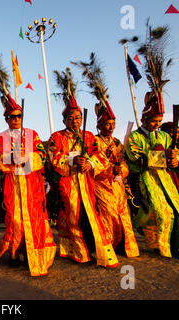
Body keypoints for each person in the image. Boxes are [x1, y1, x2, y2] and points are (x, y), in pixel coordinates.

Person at [47, 96, 119, 267]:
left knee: (90, 215)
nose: (75, 121)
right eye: (70, 118)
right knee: (73, 216)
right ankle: (80, 252)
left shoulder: (88, 136)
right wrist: (71, 161)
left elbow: (100, 155)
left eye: (78, 118)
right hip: (68, 182)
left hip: (87, 183)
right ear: (64, 120)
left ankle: (94, 248)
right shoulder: (56, 137)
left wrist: (89, 163)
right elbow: (52, 157)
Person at [0, 95, 56, 276]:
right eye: (12, 117)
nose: (16, 119)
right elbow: (0, 159)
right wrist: (13, 157)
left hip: (31, 183)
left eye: (18, 116)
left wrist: (28, 156)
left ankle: (33, 254)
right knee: (14, 218)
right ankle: (15, 253)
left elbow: (43, 155)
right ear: (6, 119)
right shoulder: (1, 137)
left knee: (35, 217)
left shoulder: (32, 134)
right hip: (13, 183)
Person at [126, 92, 179, 258]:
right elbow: (137, 158)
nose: (157, 124)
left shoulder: (164, 136)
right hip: (146, 179)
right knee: (161, 211)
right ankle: (164, 247)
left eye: (159, 122)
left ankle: (173, 244)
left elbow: (175, 156)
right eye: (153, 121)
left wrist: (174, 159)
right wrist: (164, 156)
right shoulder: (134, 137)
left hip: (165, 178)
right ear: (144, 120)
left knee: (176, 210)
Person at [93, 103, 139, 257]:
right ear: (100, 125)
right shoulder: (94, 141)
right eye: (107, 124)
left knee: (123, 213)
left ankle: (125, 245)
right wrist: (110, 169)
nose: (111, 127)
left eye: (113, 124)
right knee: (108, 213)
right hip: (100, 183)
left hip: (117, 183)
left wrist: (121, 170)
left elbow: (124, 162)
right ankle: (110, 244)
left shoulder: (118, 142)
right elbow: (94, 162)